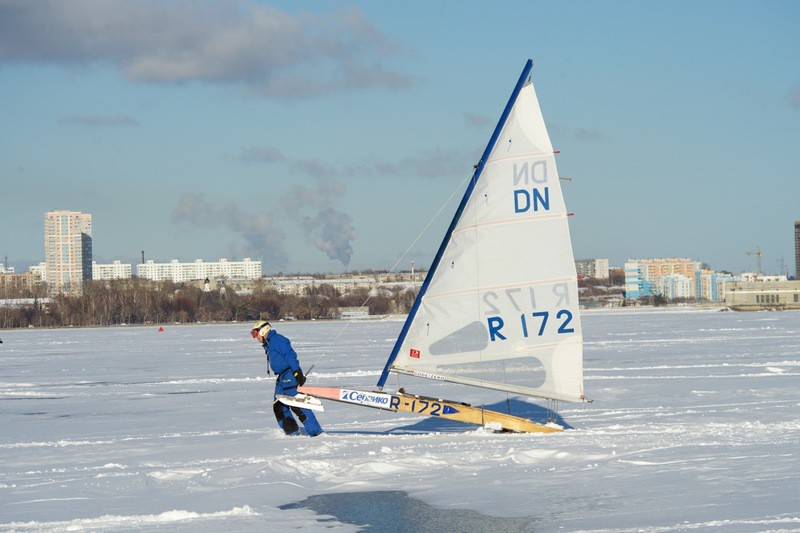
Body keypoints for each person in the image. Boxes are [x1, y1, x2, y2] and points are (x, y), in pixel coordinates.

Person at [251, 320, 323, 437]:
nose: (255, 337)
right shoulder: (269, 343)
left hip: (289, 375)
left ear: (263, 330)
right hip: (281, 378)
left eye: (255, 333)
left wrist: (297, 372)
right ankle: (292, 432)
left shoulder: (278, 340)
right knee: (278, 405)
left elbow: (289, 355)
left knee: (297, 405)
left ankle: (316, 432)